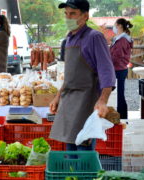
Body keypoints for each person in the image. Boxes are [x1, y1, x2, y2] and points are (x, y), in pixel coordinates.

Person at [49, 0, 116, 151]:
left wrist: (103, 100)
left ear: (85, 16)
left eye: (73, 14)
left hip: (86, 101)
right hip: (68, 101)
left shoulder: (94, 37)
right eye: (66, 14)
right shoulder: (68, 40)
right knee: (70, 149)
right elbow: (69, 75)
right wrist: (57, 96)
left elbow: (107, 71)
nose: (68, 18)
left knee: (83, 150)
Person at [110, 18, 133, 119]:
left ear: (119, 25)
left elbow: (117, 56)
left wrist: (107, 62)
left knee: (119, 96)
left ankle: (122, 117)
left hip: (119, 70)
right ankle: (121, 117)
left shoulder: (122, 40)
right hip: (118, 69)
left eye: (115, 25)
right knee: (118, 94)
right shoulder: (119, 38)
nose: (113, 27)